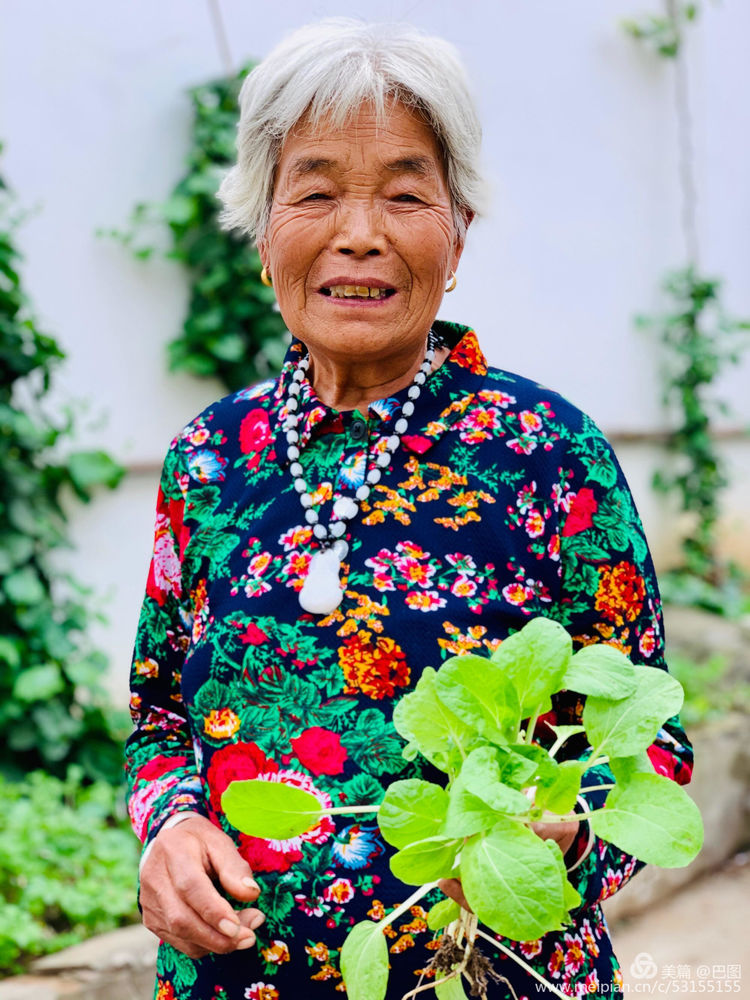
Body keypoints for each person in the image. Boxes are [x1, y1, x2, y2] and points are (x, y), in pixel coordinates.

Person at [125, 19, 693, 1000]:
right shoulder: (207, 461)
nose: (359, 232)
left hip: (493, 975)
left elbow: (655, 747)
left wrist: (574, 830)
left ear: (457, 232)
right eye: (315, 192)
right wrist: (168, 827)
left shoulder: (548, 453)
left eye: (403, 193)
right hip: (241, 979)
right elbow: (159, 715)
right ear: (264, 236)